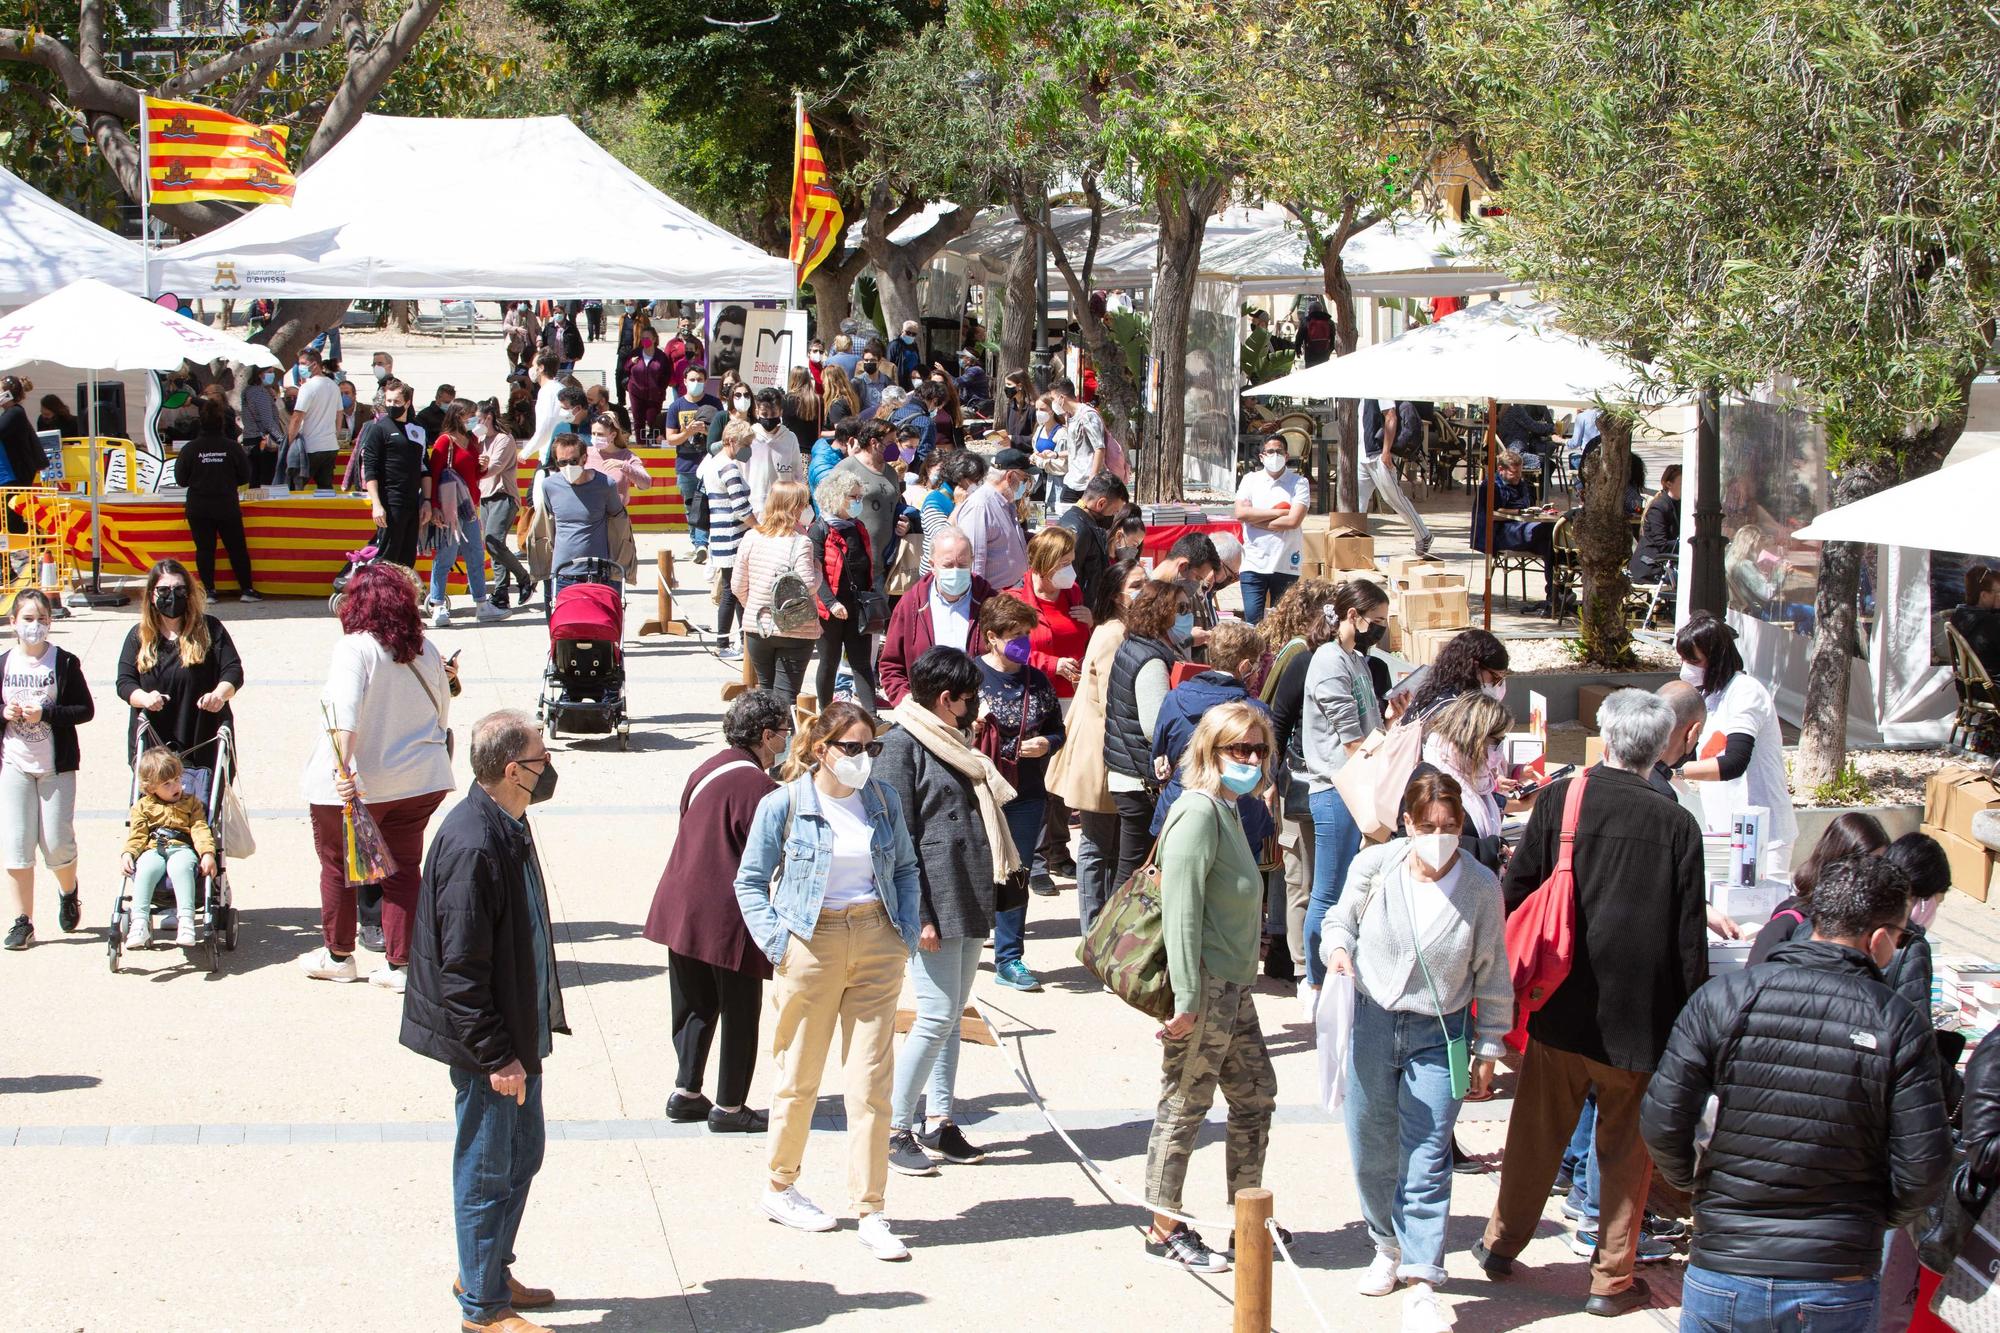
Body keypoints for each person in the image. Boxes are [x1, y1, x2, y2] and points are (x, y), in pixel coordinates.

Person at [1472, 690, 1708, 1319]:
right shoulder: (1677, 822)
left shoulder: (1562, 798)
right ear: (1661, 748)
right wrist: (1692, 1032)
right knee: (1626, 1156)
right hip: (1640, 1019)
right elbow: (1690, 942)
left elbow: (1516, 889)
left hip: (1562, 1000)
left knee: (1534, 1135)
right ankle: (1608, 1279)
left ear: (1603, 735)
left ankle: (1500, 1244)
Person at [1640, 855, 1950, 1333]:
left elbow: (1663, 1120)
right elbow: (1924, 1163)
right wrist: (1870, 1220)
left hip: (1727, 1262)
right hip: (1834, 1274)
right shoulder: (1896, 1022)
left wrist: (1696, 1184)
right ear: (1880, 938)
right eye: (1902, 936)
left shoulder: (1724, 998)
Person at [733, 702, 923, 1260]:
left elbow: (906, 868)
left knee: (870, 1082)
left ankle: (871, 1208)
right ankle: (781, 1184)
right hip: (810, 942)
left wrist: (903, 933)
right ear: (822, 749)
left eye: (872, 749)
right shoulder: (784, 804)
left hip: (875, 938)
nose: (865, 759)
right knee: (799, 1075)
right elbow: (749, 881)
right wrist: (780, 943)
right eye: (853, 748)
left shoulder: (883, 802)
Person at [399, 710, 565, 1333]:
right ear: (512, 770)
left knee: (523, 1156)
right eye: (541, 758)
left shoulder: (506, 822)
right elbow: (461, 970)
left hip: (515, 1029)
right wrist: (497, 1055)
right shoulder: (473, 842)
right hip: (488, 1044)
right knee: (489, 1168)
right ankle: (483, 1309)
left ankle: (487, 1269)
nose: (549, 768)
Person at [1328, 771, 1511, 1332]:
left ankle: (1422, 1276)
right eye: (1428, 825)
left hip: (1441, 1032)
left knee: (1428, 1154)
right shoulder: (1377, 866)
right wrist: (1336, 948)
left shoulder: (1481, 886)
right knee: (1373, 1145)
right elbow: (1340, 918)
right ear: (1407, 822)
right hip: (1373, 1022)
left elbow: (1493, 972)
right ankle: (1386, 1244)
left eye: (1450, 826)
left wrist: (1490, 1043)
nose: (1439, 836)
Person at [1142, 700, 1282, 1274]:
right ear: (1209, 751)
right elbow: (1181, 910)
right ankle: (1162, 1224)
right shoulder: (1198, 812)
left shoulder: (1230, 807)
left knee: (1255, 1093)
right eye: (1238, 749)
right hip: (1206, 987)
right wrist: (1188, 1000)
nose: (1250, 759)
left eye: (1259, 750)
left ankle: (1245, 1216)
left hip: (1234, 985)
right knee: (1185, 1101)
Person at [876, 647, 1021, 1174]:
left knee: (952, 1018)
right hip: (934, 900)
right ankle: (895, 1128)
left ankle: (939, 1120)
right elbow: (897, 839)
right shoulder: (901, 745)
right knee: (935, 1016)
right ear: (945, 700)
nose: (977, 707)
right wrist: (922, 915)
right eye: (969, 699)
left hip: (968, 891)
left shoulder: (954, 742)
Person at [299, 563, 457, 990]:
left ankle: (339, 955)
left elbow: (344, 714)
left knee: (337, 867)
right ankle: (399, 964)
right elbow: (442, 713)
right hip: (420, 778)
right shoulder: (425, 648)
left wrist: (342, 768)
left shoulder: (355, 648)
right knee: (405, 869)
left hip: (363, 782)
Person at [644, 691, 790, 1132]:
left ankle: (686, 1092)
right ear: (766, 736)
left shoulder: (706, 768)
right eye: (783, 732)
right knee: (741, 1010)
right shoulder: (760, 788)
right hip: (728, 913)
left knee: (693, 1004)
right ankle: (729, 1106)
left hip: (679, 901)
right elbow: (773, 851)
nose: (786, 739)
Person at [1300, 579, 1391, 995]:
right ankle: (1317, 984)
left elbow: (1367, 723)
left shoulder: (1355, 659)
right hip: (1337, 786)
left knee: (1345, 888)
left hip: (1357, 781)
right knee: (1329, 890)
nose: (1380, 629)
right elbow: (1351, 736)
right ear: (1352, 616)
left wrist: (1393, 720)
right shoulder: (1328, 660)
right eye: (1376, 621)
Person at [973, 594, 1065, 991]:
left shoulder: (1037, 679)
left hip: (1026, 792)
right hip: (978, 793)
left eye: (1026, 634)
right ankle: (961, 944)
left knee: (1016, 875)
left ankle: (1009, 959)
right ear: (992, 637)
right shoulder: (969, 676)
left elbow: (1058, 729)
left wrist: (1046, 743)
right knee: (974, 871)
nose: (1023, 643)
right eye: (1014, 635)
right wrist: (971, 728)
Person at [1256, 577, 1339, 983]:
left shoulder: (1307, 654)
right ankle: (1295, 960)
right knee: (1296, 876)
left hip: (1296, 781)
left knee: (1297, 876)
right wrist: (1270, 777)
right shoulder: (1299, 657)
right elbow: (1277, 717)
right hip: (1296, 782)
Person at [1675, 610, 1799, 875]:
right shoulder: (1709, 697)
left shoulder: (1745, 692)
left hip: (1763, 834)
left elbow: (1734, 762)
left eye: (1693, 660)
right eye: (1683, 659)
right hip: (1722, 831)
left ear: (1716, 658)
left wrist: (1675, 773)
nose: (1687, 668)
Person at [0, 589, 91, 950]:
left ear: (51, 624)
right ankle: (23, 921)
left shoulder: (64, 663)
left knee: (56, 843)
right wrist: (3, 713)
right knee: (18, 844)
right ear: (12, 623)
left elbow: (84, 710)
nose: (35, 626)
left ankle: (68, 892)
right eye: (27, 619)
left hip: (56, 766)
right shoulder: (4, 664)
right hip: (15, 764)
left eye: (42, 619)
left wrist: (47, 714)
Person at [1102, 580, 1189, 891]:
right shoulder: (1151, 660)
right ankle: (1112, 936)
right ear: (1163, 613)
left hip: (1129, 771)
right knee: (1133, 870)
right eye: (1180, 608)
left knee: (1131, 865)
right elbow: (1156, 727)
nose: (1185, 614)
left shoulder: (1136, 645)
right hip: (1138, 779)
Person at [115, 560, 244, 765]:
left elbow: (233, 671)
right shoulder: (138, 636)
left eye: (179, 589)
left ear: (189, 593)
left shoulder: (210, 628)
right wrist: (145, 698)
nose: (172, 596)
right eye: (164, 590)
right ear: (151, 595)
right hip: (154, 746)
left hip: (203, 736)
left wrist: (219, 694)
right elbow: (124, 683)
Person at [1748, 811, 1890, 966]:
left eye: (1880, 866)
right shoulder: (1789, 922)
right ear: (1836, 863)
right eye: (1864, 867)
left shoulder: (1881, 929)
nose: (1874, 877)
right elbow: (1749, 983)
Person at [731, 480, 821, 707]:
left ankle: (764, 739)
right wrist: (819, 570)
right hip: (796, 629)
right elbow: (808, 584)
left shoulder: (751, 537)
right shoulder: (801, 543)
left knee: (766, 692)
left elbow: (737, 585)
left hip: (758, 626)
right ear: (796, 507)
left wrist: (753, 606)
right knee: (787, 697)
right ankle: (785, 741)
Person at [119, 746, 218, 950]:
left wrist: (207, 852)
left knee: (180, 868)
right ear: (151, 787)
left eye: (177, 779)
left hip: (182, 848)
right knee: (145, 868)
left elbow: (200, 829)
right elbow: (138, 835)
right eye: (167, 783)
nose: (176, 786)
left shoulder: (191, 803)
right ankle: (139, 922)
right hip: (153, 848)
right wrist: (129, 853)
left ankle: (186, 921)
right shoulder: (143, 806)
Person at [879, 526, 988, 706]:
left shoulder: (989, 603)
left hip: (977, 713)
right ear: (932, 565)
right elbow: (891, 665)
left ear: (972, 562)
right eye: (947, 565)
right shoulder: (911, 604)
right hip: (925, 714)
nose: (955, 571)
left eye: (962, 565)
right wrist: (908, 703)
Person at [426, 403, 512, 627]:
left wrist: (482, 466)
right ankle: (437, 604)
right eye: (471, 416)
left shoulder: (472, 441)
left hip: (469, 507)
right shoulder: (445, 441)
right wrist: (434, 506)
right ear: (458, 416)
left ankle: (481, 603)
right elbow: (434, 475)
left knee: (475, 554)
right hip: (449, 509)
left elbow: (474, 475)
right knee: (445, 555)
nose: (476, 420)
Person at [1409, 692, 1513, 872]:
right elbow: (1430, 844)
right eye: (1497, 742)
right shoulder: (1431, 780)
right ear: (1475, 739)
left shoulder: (1473, 774)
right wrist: (1493, 849)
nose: (1499, 750)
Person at [174, 395, 259, 601]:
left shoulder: (190, 449)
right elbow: (245, 476)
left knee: (204, 549)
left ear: (200, 422)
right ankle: (247, 589)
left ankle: (209, 591)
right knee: (236, 548)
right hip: (226, 505)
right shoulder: (232, 447)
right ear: (222, 422)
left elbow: (181, 480)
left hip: (199, 506)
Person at [807, 471, 879, 711]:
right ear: (837, 497)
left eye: (860, 496)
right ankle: (826, 712)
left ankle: (871, 715)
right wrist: (831, 603)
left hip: (857, 606)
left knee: (862, 663)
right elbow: (816, 573)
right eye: (853, 496)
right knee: (829, 662)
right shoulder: (819, 530)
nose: (858, 501)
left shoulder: (858, 527)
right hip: (830, 609)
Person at [538, 433, 627, 596]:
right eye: (562, 462)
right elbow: (548, 522)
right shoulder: (549, 486)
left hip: (596, 573)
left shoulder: (605, 485)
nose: (568, 467)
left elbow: (618, 521)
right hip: (561, 573)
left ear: (584, 458)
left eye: (573, 461)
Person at [1234, 438, 1309, 623]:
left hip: (1285, 563)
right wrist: (1279, 512)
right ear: (1262, 456)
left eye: (1279, 451)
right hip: (1253, 562)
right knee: (1253, 621)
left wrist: (1257, 520)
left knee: (1281, 623)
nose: (1274, 455)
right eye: (1270, 451)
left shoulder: (1299, 483)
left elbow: (1293, 521)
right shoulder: (1250, 480)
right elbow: (1241, 513)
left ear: (1286, 455)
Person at [361, 379, 434, 567]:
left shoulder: (418, 429)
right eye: (389, 401)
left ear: (407, 403)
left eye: (397, 402)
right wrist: (376, 504)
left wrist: (427, 501)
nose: (392, 405)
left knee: (407, 557)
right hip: (390, 500)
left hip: (412, 501)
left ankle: (402, 595)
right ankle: (380, 595)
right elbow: (370, 470)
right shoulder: (378, 429)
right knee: (387, 556)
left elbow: (424, 467)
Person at [1014, 526, 1091, 702]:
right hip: (1032, 697)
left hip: (1073, 696)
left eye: (1071, 562)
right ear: (1044, 564)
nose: (1070, 570)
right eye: (1064, 564)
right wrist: (1052, 664)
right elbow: (1009, 650)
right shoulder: (1016, 599)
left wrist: (1090, 623)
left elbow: (1081, 639)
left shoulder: (1072, 592)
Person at [473, 398, 535, 612]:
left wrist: (473, 470)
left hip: (503, 495)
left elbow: (494, 467)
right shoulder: (479, 440)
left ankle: (524, 577)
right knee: (492, 545)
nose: (474, 423)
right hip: (485, 495)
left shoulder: (504, 439)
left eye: (477, 418)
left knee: (493, 540)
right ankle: (501, 592)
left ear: (488, 417)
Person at [700, 420, 755, 659]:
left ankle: (729, 641)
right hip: (734, 537)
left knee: (730, 591)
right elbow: (741, 508)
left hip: (720, 536)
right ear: (732, 441)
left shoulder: (713, 464)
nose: (747, 449)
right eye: (745, 444)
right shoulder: (729, 468)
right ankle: (733, 642)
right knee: (736, 592)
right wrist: (761, 528)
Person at [1881, 830, 1950, 1016]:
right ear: (1923, 898)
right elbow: (1916, 1032)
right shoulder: (1911, 948)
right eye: (1938, 902)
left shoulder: (1838, 920)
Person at [831, 419, 904, 585]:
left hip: (886, 562)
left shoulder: (891, 472)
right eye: (891, 442)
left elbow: (894, 505)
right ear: (874, 442)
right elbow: (830, 510)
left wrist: (904, 523)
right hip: (855, 563)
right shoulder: (847, 468)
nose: (896, 447)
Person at [1358, 398, 1434, 556]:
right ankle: (1355, 546)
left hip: (1377, 454)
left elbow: (1391, 416)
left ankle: (1423, 535)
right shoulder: (1361, 392)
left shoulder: (1380, 387)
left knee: (1394, 498)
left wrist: (1386, 452)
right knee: (1357, 504)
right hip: (1363, 456)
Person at [956, 448, 1034, 592]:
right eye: (1024, 479)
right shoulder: (980, 507)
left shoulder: (1004, 502)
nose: (1025, 485)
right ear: (1010, 477)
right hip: (994, 597)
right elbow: (974, 563)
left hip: (1012, 592)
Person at [1056, 472, 1125, 604]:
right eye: (1114, 511)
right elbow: (1065, 582)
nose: (1114, 516)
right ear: (1101, 504)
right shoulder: (1077, 530)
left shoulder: (1087, 523)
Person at [919, 451, 986, 574]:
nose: (977, 484)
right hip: (936, 572)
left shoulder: (970, 498)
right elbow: (941, 535)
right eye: (975, 480)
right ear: (961, 478)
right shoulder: (935, 500)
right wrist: (958, 506)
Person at [286, 349, 342, 489]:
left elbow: (297, 418)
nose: (300, 367)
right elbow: (339, 414)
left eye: (303, 363)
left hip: (311, 447)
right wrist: (335, 434)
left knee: (296, 487)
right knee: (326, 488)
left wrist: (289, 442)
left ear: (315, 364)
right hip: (330, 446)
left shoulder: (307, 387)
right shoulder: (333, 386)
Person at [745, 387, 802, 519]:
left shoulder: (790, 438)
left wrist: (797, 502)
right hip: (755, 505)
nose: (769, 418)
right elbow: (740, 469)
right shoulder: (748, 437)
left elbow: (797, 472)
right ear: (757, 411)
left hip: (783, 505)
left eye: (774, 413)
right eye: (765, 414)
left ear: (781, 412)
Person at [1052, 377, 1107, 502]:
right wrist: (1055, 454)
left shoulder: (1088, 415)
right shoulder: (1069, 417)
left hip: (1087, 484)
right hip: (1072, 481)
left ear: (1062, 398)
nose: (1053, 404)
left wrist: (1093, 478)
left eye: (1054, 399)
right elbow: (1076, 449)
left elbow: (1100, 448)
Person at [1630, 464, 1681, 588]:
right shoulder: (1659, 507)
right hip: (1650, 567)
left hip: (1667, 563)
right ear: (1669, 484)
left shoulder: (1679, 505)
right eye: (1683, 483)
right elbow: (1662, 545)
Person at [240, 365, 288, 485]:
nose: (272, 375)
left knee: (255, 478)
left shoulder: (248, 391)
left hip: (250, 440)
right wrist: (281, 440)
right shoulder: (260, 393)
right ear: (260, 374)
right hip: (262, 442)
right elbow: (268, 422)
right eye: (269, 372)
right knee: (265, 479)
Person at [523, 352, 564, 464]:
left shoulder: (547, 392)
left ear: (541, 368)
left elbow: (545, 426)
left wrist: (525, 452)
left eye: (533, 365)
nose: (531, 369)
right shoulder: (558, 388)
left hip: (550, 455)